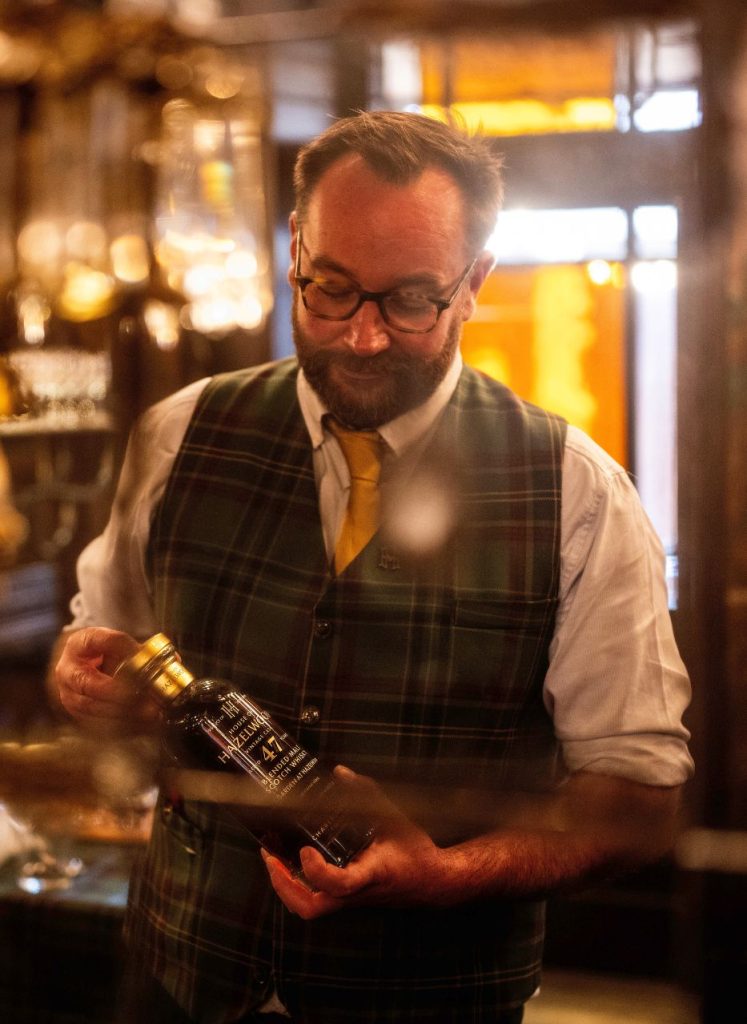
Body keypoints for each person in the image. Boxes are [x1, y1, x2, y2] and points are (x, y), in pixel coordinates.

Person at [54, 110, 693, 1024]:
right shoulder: (179, 432)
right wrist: (91, 679)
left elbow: (637, 800)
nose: (361, 337)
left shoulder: (577, 492)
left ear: (473, 282)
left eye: (409, 299)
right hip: (175, 980)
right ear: (294, 252)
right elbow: (101, 637)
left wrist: (447, 875)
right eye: (332, 290)